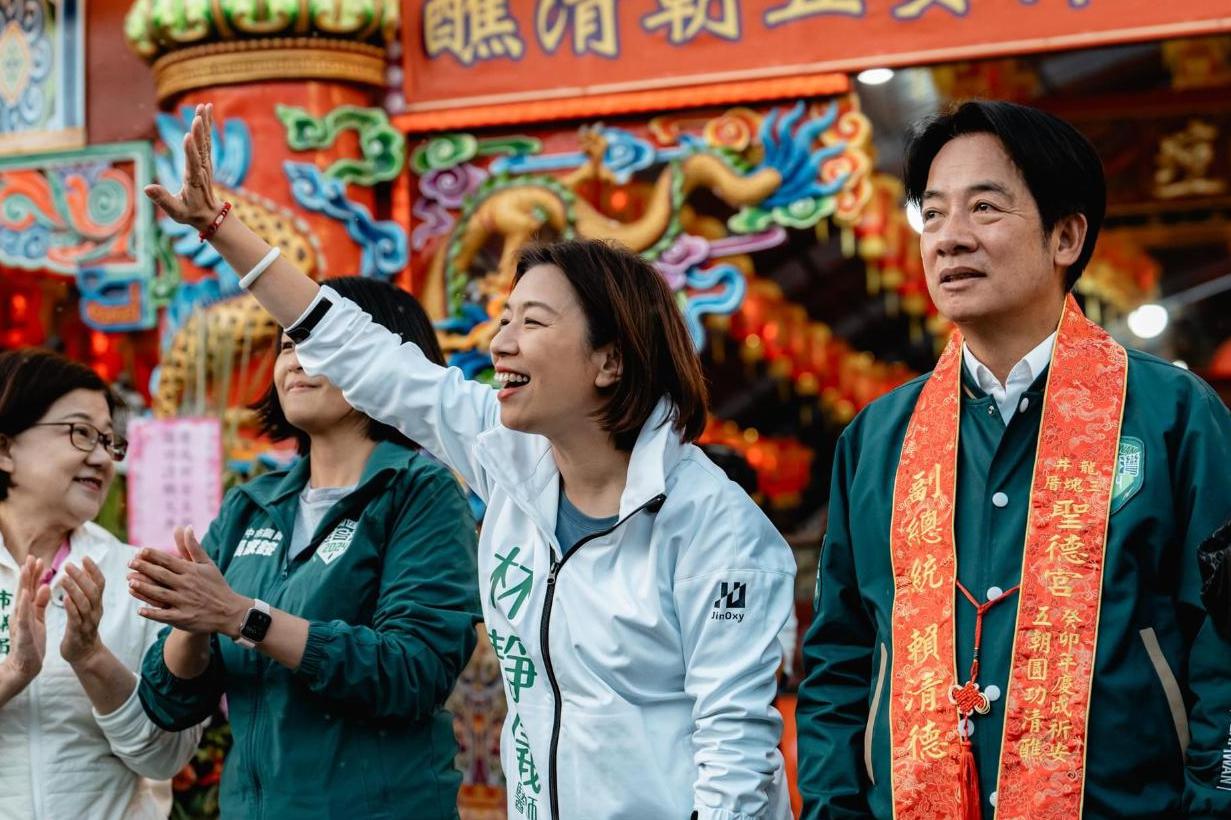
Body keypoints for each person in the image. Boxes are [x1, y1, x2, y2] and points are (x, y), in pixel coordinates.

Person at [145, 103, 797, 820]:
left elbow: (734, 751)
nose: (500, 342)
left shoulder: (713, 526)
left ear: (610, 360)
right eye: (504, 318)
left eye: (532, 322)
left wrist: (244, 617)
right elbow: (365, 355)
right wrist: (221, 228)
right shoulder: (508, 461)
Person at [796, 100, 1231, 818]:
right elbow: (840, 659)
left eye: (984, 208)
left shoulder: (1173, 417)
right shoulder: (877, 439)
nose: (949, 238)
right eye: (933, 214)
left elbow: (1222, 644)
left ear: (1065, 236)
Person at [128, 276, 482, 819]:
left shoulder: (419, 491)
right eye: (287, 345)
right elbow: (168, 703)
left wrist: (242, 616)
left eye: (316, 342)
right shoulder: (251, 503)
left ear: (384, 358)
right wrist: (192, 619)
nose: (295, 360)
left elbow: (412, 673)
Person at [0, 349, 202, 819]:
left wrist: (91, 659)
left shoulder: (142, 579)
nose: (101, 458)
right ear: (6, 449)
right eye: (81, 433)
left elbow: (166, 757)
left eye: (109, 441)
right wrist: (15, 672)